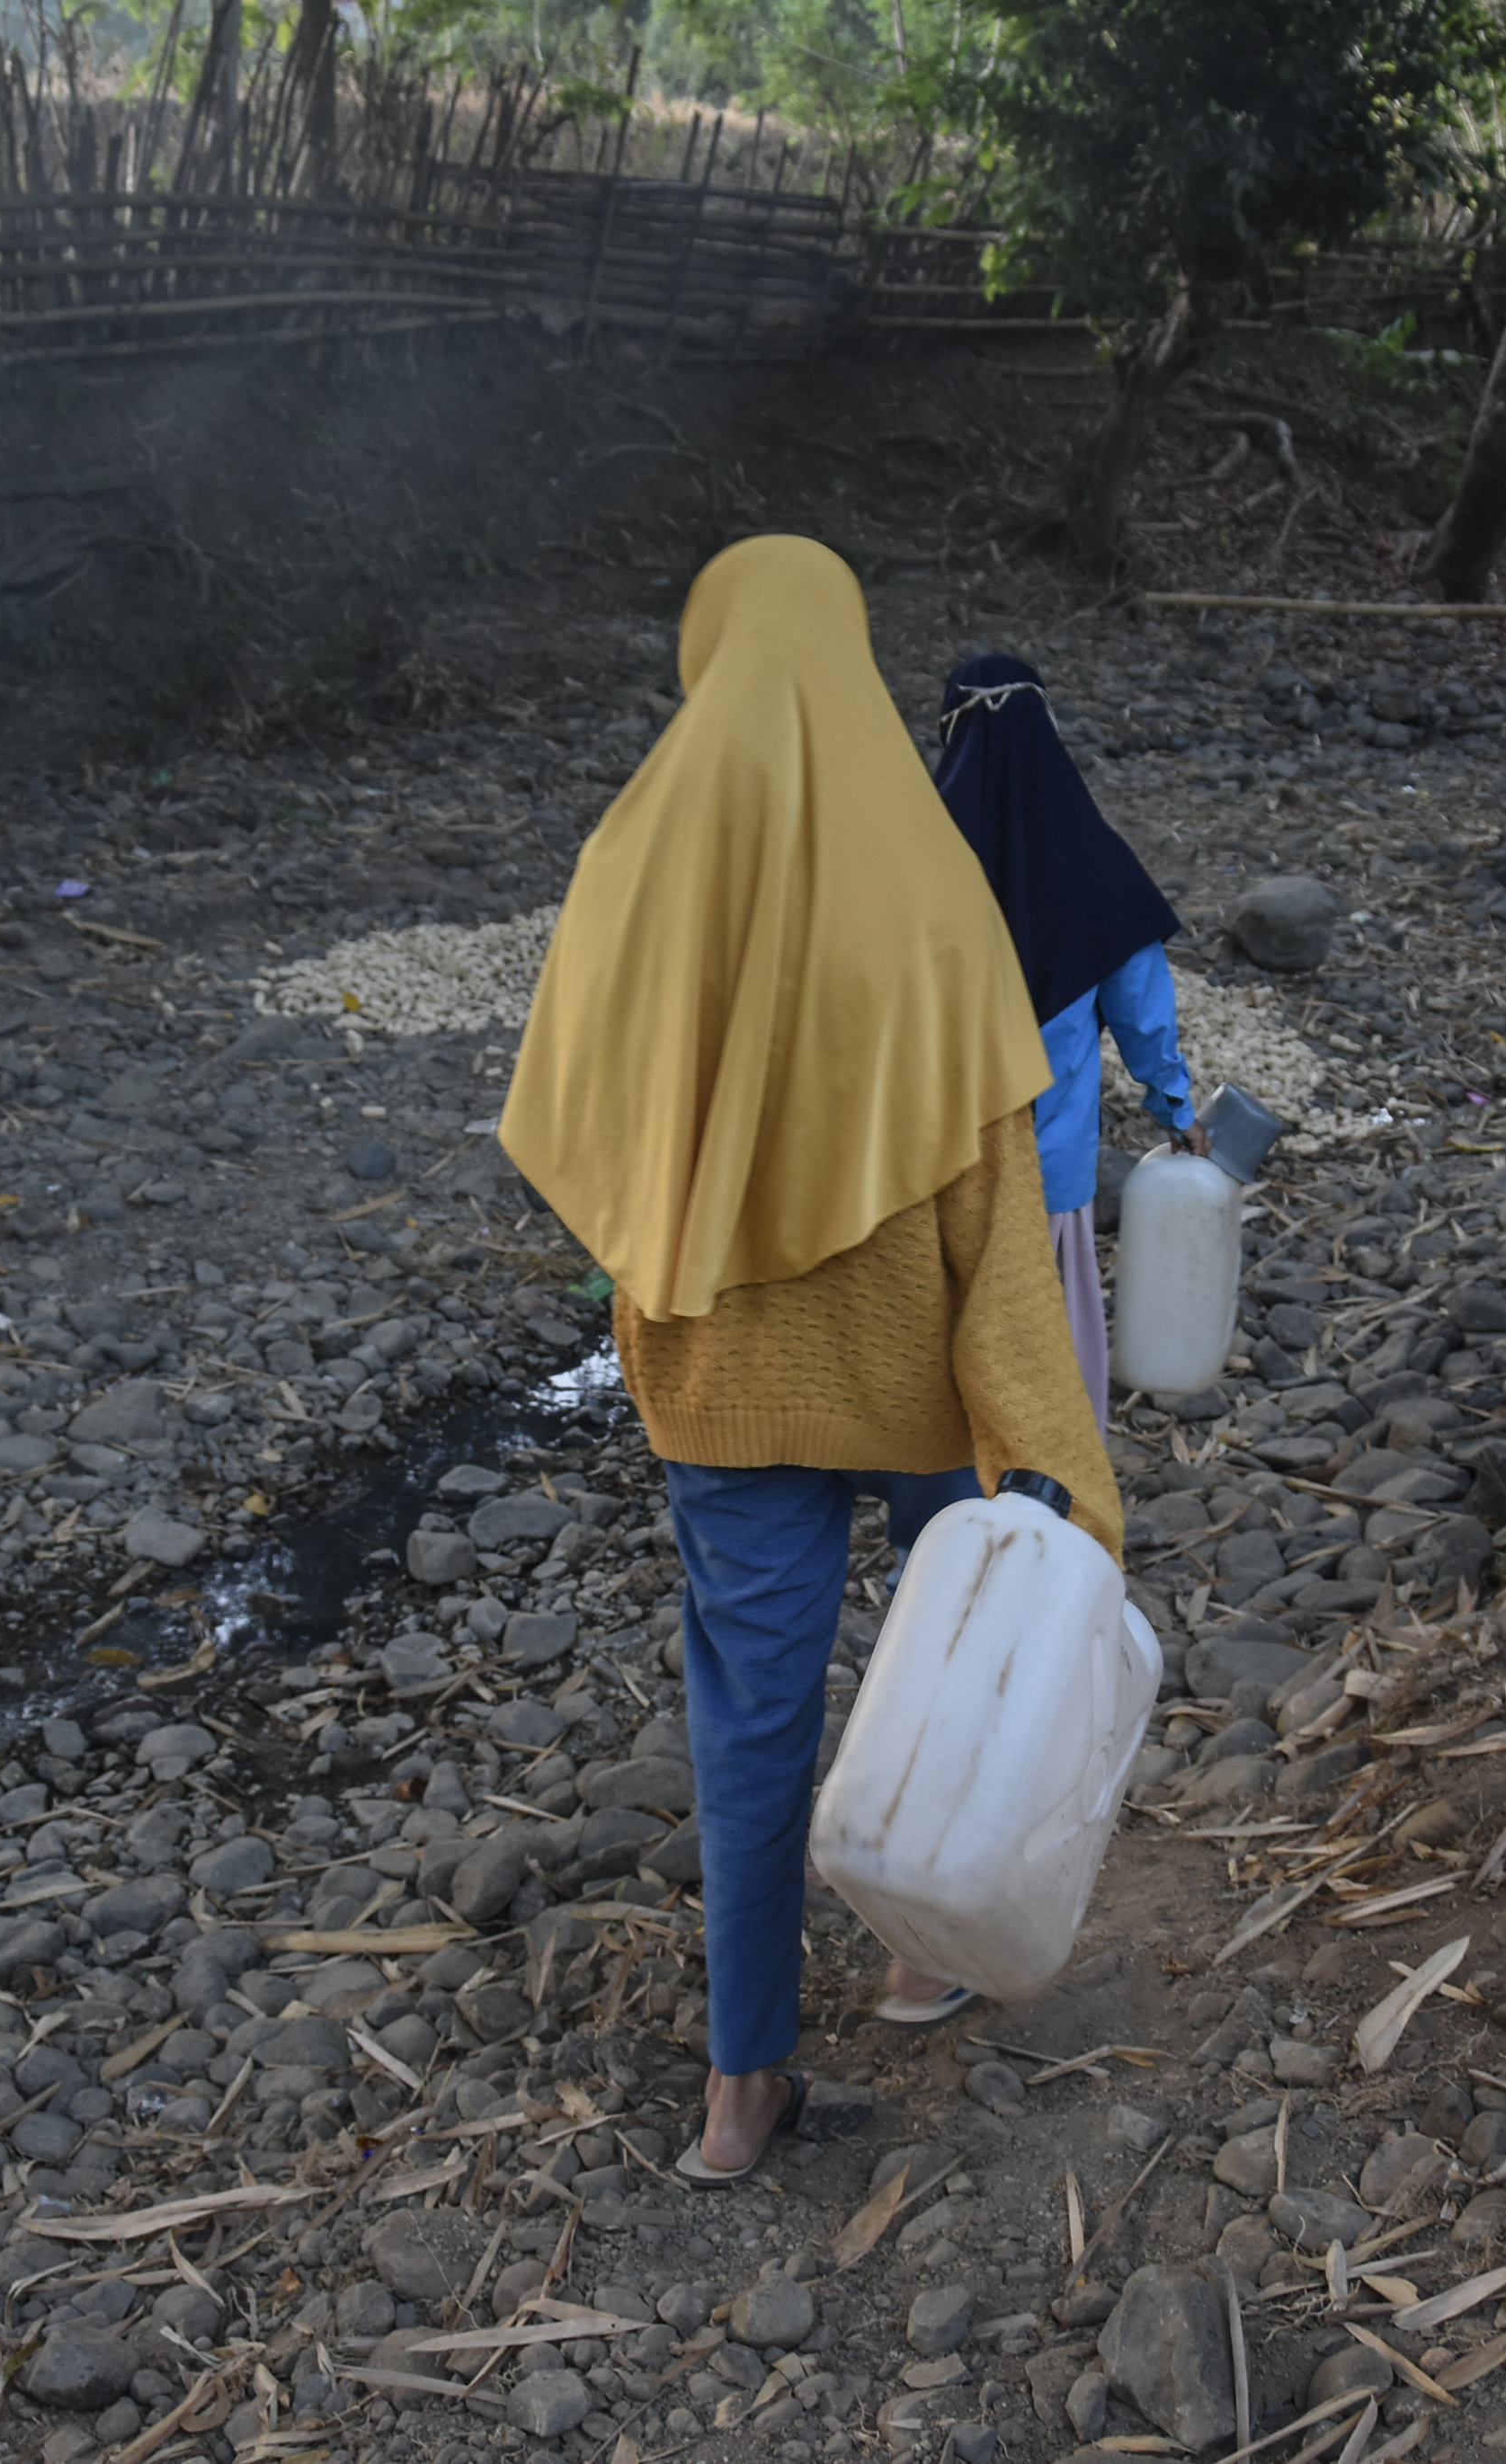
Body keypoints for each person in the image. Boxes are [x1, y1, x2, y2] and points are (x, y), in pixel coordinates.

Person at [503, 538, 1123, 2184]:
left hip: (724, 1389)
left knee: (750, 1728)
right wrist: (1046, 1436)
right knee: (949, 1674)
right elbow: (996, 1195)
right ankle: (919, 1957)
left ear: (707, 654)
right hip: (917, 1381)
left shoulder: (634, 861)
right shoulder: (928, 881)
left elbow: (583, 1116)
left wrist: (665, 1269)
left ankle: (740, 2087)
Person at [932, 652, 1211, 1424]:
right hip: (1048, 1174)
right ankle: (1051, 1477)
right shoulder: (1094, 865)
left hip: (931, 1170)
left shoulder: (917, 862)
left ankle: (939, 1483)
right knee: (1043, 1352)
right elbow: (1143, 1014)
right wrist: (1177, 1111)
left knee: (937, 1347)